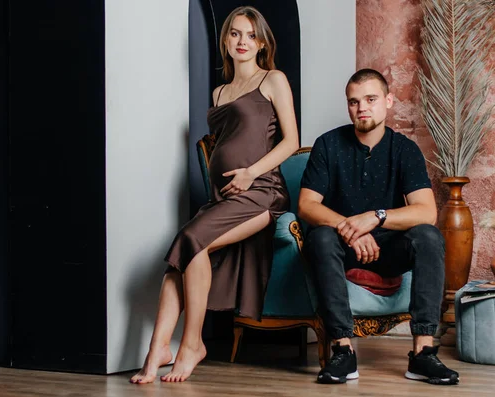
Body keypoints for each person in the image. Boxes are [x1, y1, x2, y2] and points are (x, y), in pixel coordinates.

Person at [130, 6, 299, 384]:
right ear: (225, 40)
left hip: (262, 192)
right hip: (226, 198)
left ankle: (192, 344)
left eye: (251, 35)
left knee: (192, 242)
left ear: (262, 43)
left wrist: (251, 172)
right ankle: (159, 347)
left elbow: (292, 141)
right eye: (235, 34)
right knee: (180, 258)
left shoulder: (272, 79)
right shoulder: (220, 90)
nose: (242, 42)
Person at [298, 68, 459, 385]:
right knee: (320, 239)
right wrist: (350, 227)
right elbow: (306, 205)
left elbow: (426, 211)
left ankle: (423, 354)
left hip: (390, 248)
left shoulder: (405, 149)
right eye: (354, 102)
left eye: (370, 99)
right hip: (344, 247)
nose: (362, 108)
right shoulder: (328, 145)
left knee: (428, 236)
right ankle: (343, 350)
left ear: (388, 101)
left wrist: (376, 216)